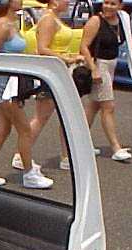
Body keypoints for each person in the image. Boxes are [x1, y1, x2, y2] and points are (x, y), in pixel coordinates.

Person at [0, 0, 53, 189]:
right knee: (25, 129)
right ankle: (29, 173)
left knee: (3, 129)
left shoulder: (12, 23)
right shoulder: (3, 25)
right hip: (3, 87)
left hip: (10, 85)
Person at [12, 0, 83, 171]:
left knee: (67, 116)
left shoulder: (55, 18)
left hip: (61, 72)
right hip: (51, 73)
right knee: (41, 117)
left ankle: (67, 157)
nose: (68, 2)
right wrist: (67, 58)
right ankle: (21, 155)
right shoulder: (48, 19)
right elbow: (42, 48)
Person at [80, 0, 132, 162]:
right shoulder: (96, 20)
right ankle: (115, 147)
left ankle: (79, 141)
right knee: (108, 106)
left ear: (120, 6)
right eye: (106, 2)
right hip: (99, 64)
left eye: (113, 4)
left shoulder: (122, 20)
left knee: (94, 106)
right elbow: (84, 46)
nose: (108, 6)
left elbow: (130, 40)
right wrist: (93, 69)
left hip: (111, 64)